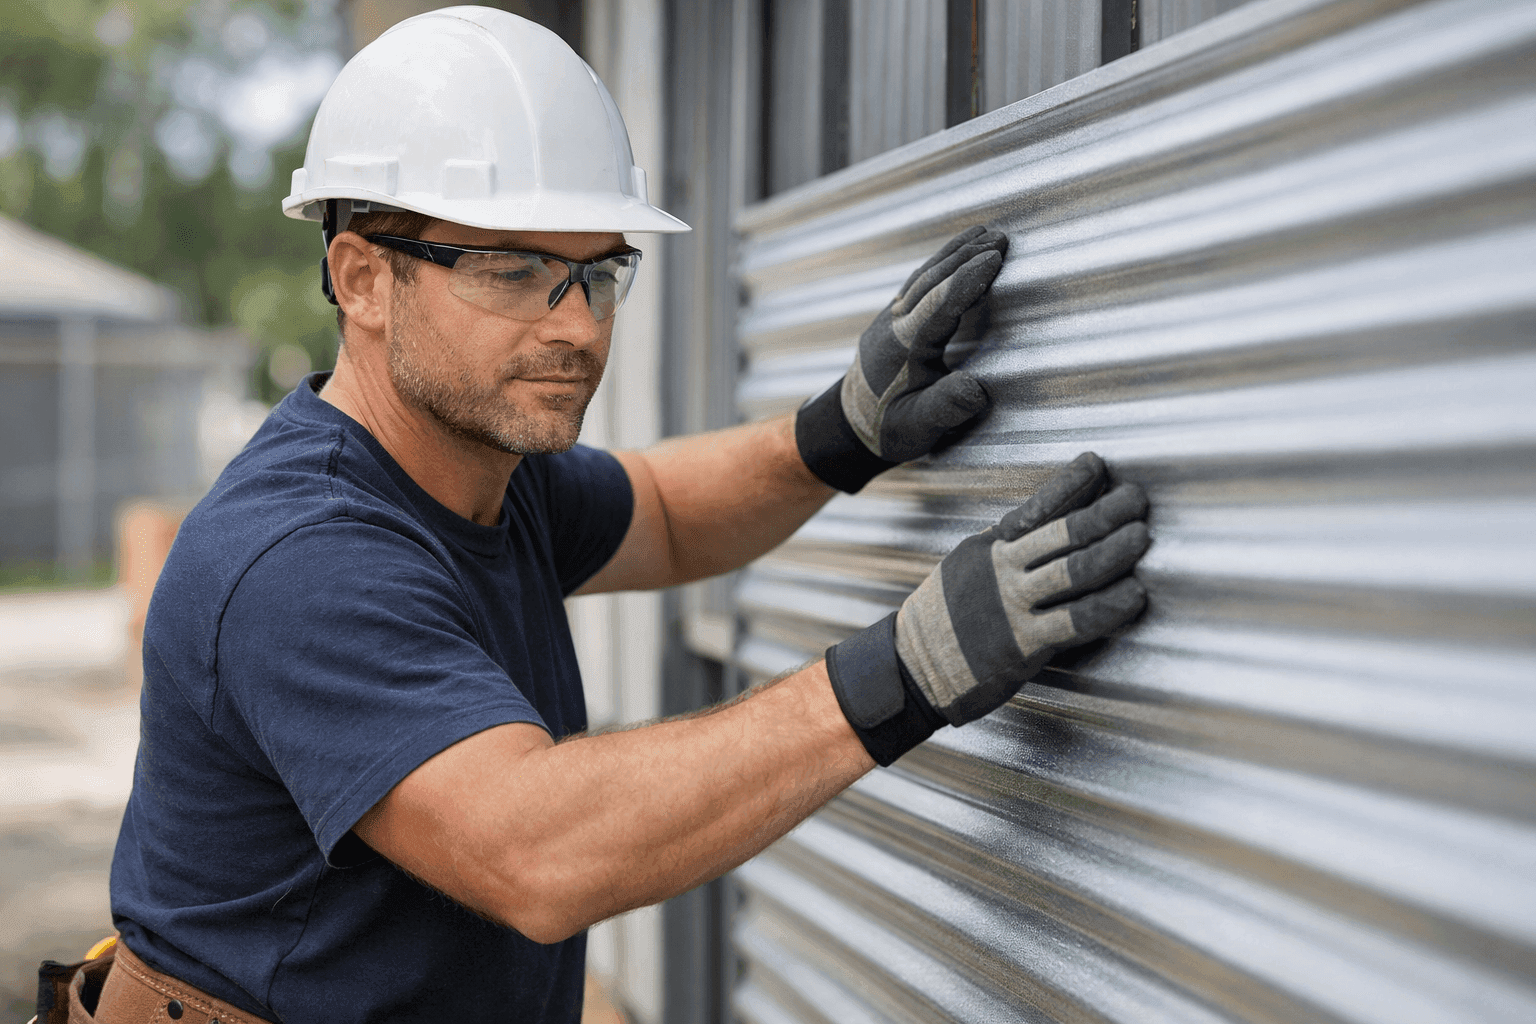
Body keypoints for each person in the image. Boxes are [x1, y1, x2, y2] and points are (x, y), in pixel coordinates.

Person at [63, 7, 1149, 1023]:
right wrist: (907, 670)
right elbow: (536, 850)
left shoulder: (483, 465)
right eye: (514, 268)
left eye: (598, 274)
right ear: (362, 280)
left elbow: (669, 513)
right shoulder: (300, 558)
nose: (576, 327)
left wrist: (839, 433)